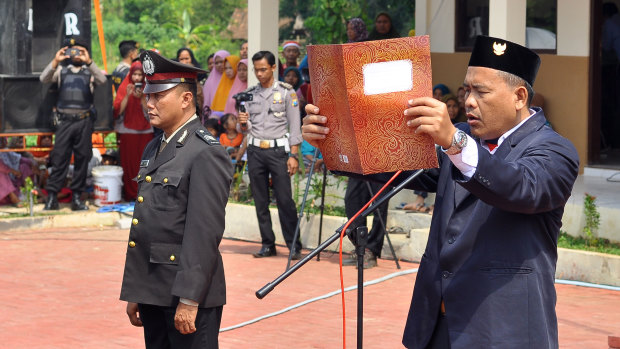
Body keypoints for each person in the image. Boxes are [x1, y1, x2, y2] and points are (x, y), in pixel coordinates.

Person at [302, 35, 579, 348]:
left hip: (502, 329)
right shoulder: (460, 137)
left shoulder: (553, 149)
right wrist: (332, 138)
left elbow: (520, 188)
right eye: (467, 89)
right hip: (436, 325)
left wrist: (454, 143)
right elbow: (393, 161)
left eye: (482, 91)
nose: (468, 101)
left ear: (519, 96)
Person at [120, 50, 232, 349]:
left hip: (185, 294)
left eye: (159, 97)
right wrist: (138, 290)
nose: (150, 103)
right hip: (154, 289)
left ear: (186, 99)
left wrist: (190, 298)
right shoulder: (155, 147)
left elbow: (203, 233)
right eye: (148, 96)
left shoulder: (206, 152)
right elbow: (149, 225)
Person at [237, 50, 302, 259]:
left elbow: (295, 126)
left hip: (278, 152)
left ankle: (294, 244)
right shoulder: (250, 93)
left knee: (285, 200)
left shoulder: (286, 92)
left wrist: (294, 155)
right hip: (255, 151)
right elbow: (243, 130)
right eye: (256, 70)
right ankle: (268, 244)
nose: (259, 74)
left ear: (274, 68)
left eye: (263, 69)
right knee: (260, 200)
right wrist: (242, 123)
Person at [39, 37, 106, 211]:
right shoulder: (61, 70)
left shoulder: (89, 71)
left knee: (82, 160)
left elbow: (103, 81)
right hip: (64, 122)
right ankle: (52, 197)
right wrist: (55, 60)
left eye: (80, 51)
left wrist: (89, 61)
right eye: (72, 51)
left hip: (84, 121)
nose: (75, 54)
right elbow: (43, 78)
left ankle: (77, 198)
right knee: (59, 158)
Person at [113, 60, 154, 201]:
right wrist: (128, 95)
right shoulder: (124, 87)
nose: (137, 78)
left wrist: (142, 97)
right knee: (129, 164)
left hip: (146, 131)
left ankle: (144, 194)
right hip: (128, 132)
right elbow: (118, 110)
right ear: (130, 74)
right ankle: (131, 194)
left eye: (140, 75)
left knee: (144, 163)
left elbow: (151, 111)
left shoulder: (148, 88)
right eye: (135, 74)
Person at [202, 50, 230, 119]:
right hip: (212, 119)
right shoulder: (209, 81)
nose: (219, 65)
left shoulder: (232, 80)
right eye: (216, 63)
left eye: (221, 61)